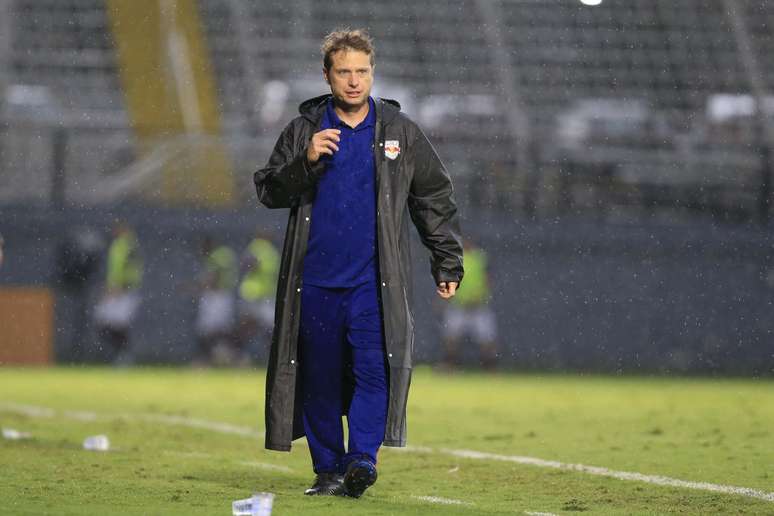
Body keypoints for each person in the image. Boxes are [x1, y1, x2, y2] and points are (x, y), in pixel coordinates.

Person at [254, 28, 464, 498]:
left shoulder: (400, 132)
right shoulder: (302, 131)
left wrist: (446, 260)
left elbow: (433, 196)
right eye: (344, 71)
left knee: (377, 370)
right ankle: (328, 470)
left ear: (373, 73)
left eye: (362, 71)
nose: (354, 81)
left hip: (375, 284)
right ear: (327, 76)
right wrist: (304, 161)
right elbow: (268, 190)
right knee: (321, 378)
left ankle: (362, 460)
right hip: (315, 283)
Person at [440, 240, 498, 370]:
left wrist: (483, 295)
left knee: (487, 338)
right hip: (459, 305)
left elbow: (488, 279)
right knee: (451, 337)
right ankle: (450, 364)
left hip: (478, 306)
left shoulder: (480, 257)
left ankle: (490, 366)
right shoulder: (456, 259)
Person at [93, 222, 143, 365]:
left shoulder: (125, 246)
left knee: (115, 324)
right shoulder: (126, 245)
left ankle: (123, 355)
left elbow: (127, 270)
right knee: (106, 323)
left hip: (123, 291)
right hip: (119, 289)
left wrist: (118, 287)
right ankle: (120, 354)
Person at [193, 236, 238, 366]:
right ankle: (227, 356)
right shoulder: (224, 254)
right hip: (223, 295)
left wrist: (197, 288)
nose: (201, 251)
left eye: (202, 247)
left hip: (216, 297)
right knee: (221, 329)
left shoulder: (216, 257)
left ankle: (207, 359)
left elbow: (213, 277)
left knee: (208, 330)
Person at [236, 230, 280, 365]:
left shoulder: (263, 248)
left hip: (260, 294)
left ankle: (243, 355)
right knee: (254, 327)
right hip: (255, 294)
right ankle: (240, 355)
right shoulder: (262, 248)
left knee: (261, 328)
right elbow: (248, 264)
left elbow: (247, 265)